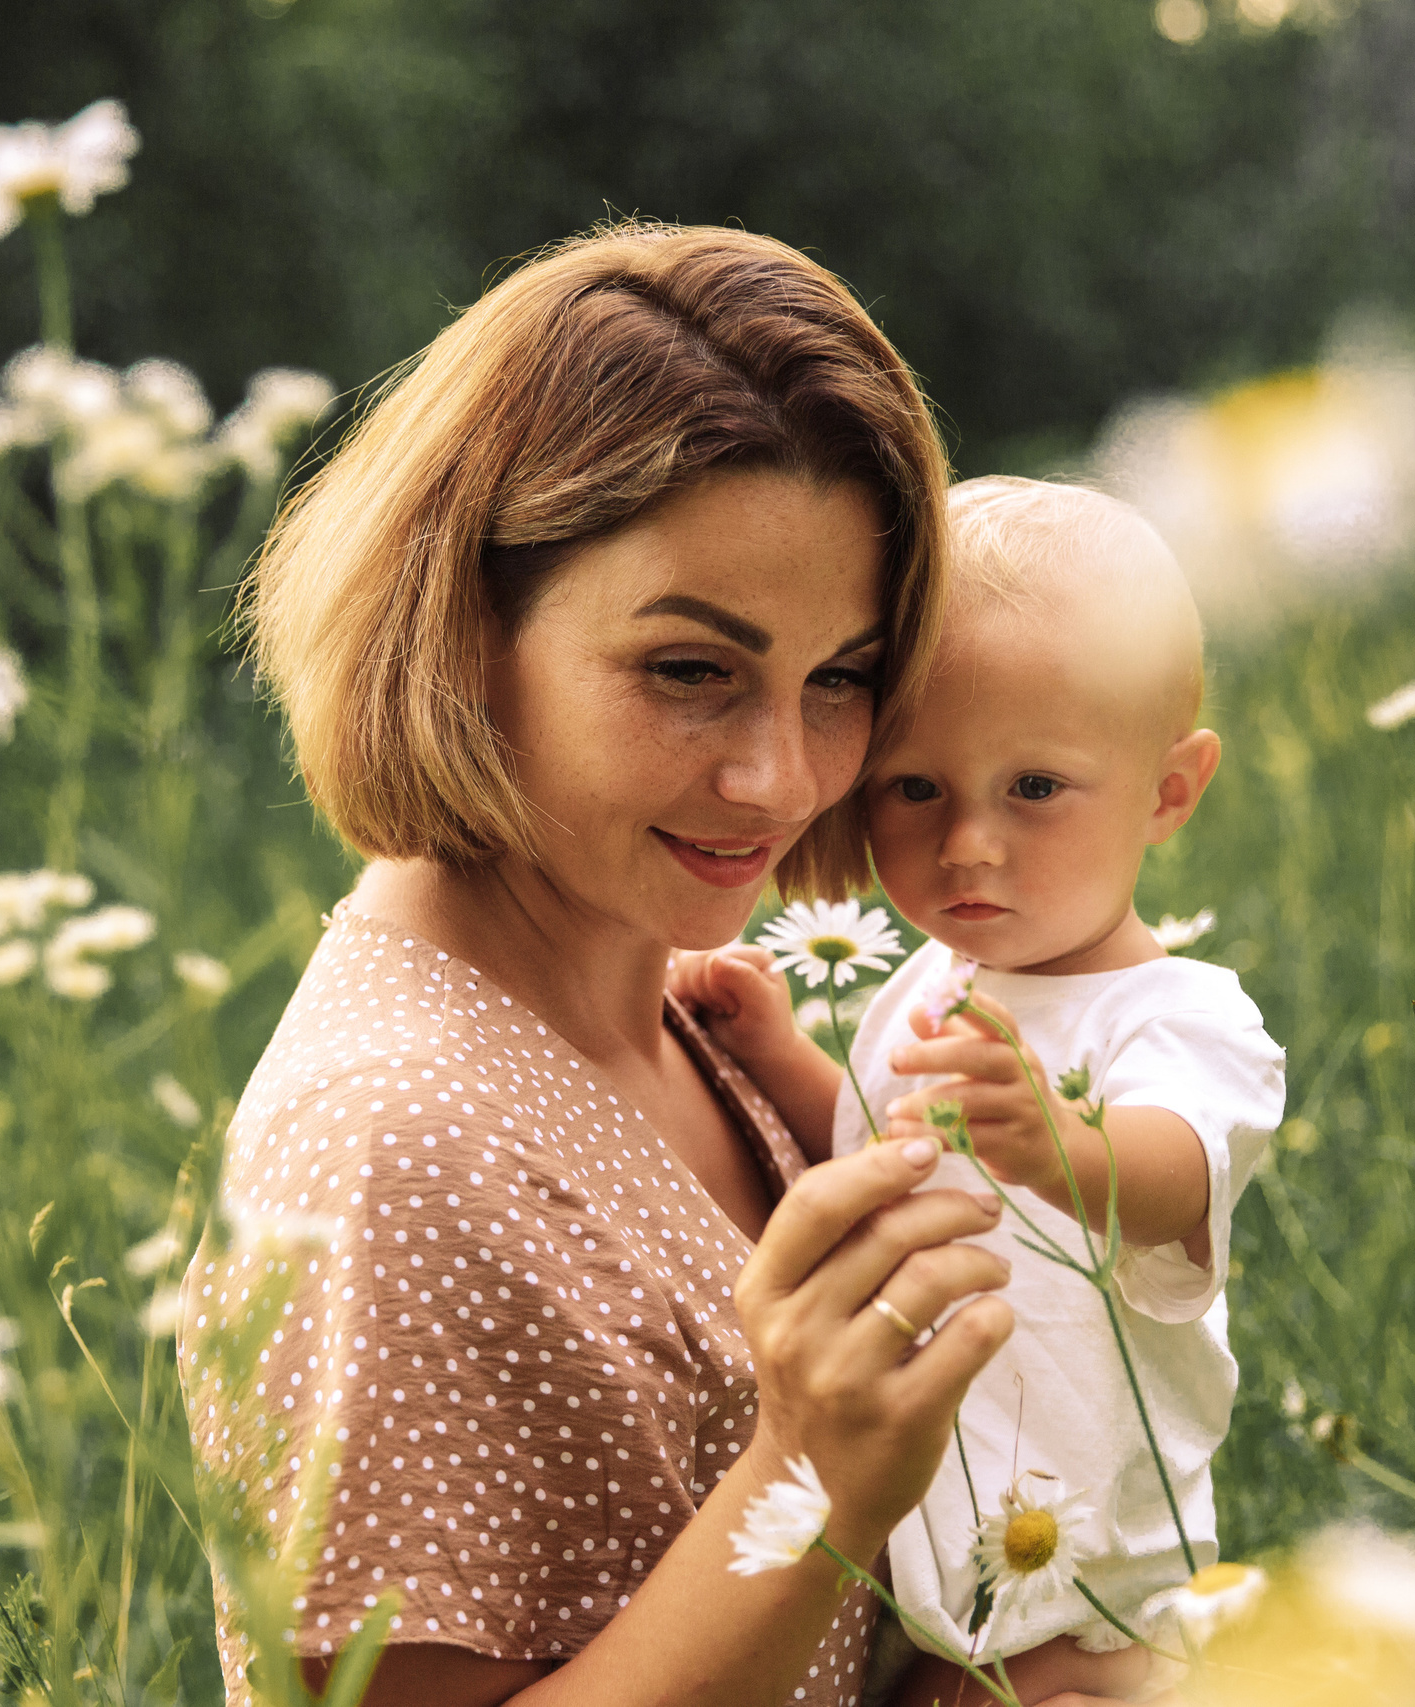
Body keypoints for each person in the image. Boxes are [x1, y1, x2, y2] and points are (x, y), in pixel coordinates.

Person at [180, 224, 1034, 1707]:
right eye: (690, 669)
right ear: (465, 627)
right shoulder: (392, 1140)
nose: (779, 778)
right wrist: (812, 1476)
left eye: (838, 675)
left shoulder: (677, 1007)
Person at [672, 477, 1286, 1705]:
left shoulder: (1175, 1017)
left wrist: (1058, 1144)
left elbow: (1176, 1179)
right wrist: (781, 1055)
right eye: (915, 790)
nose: (967, 845)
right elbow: (883, 1147)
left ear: (1169, 790)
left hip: (1089, 1620)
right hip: (932, 1593)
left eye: (1034, 790)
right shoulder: (934, 979)